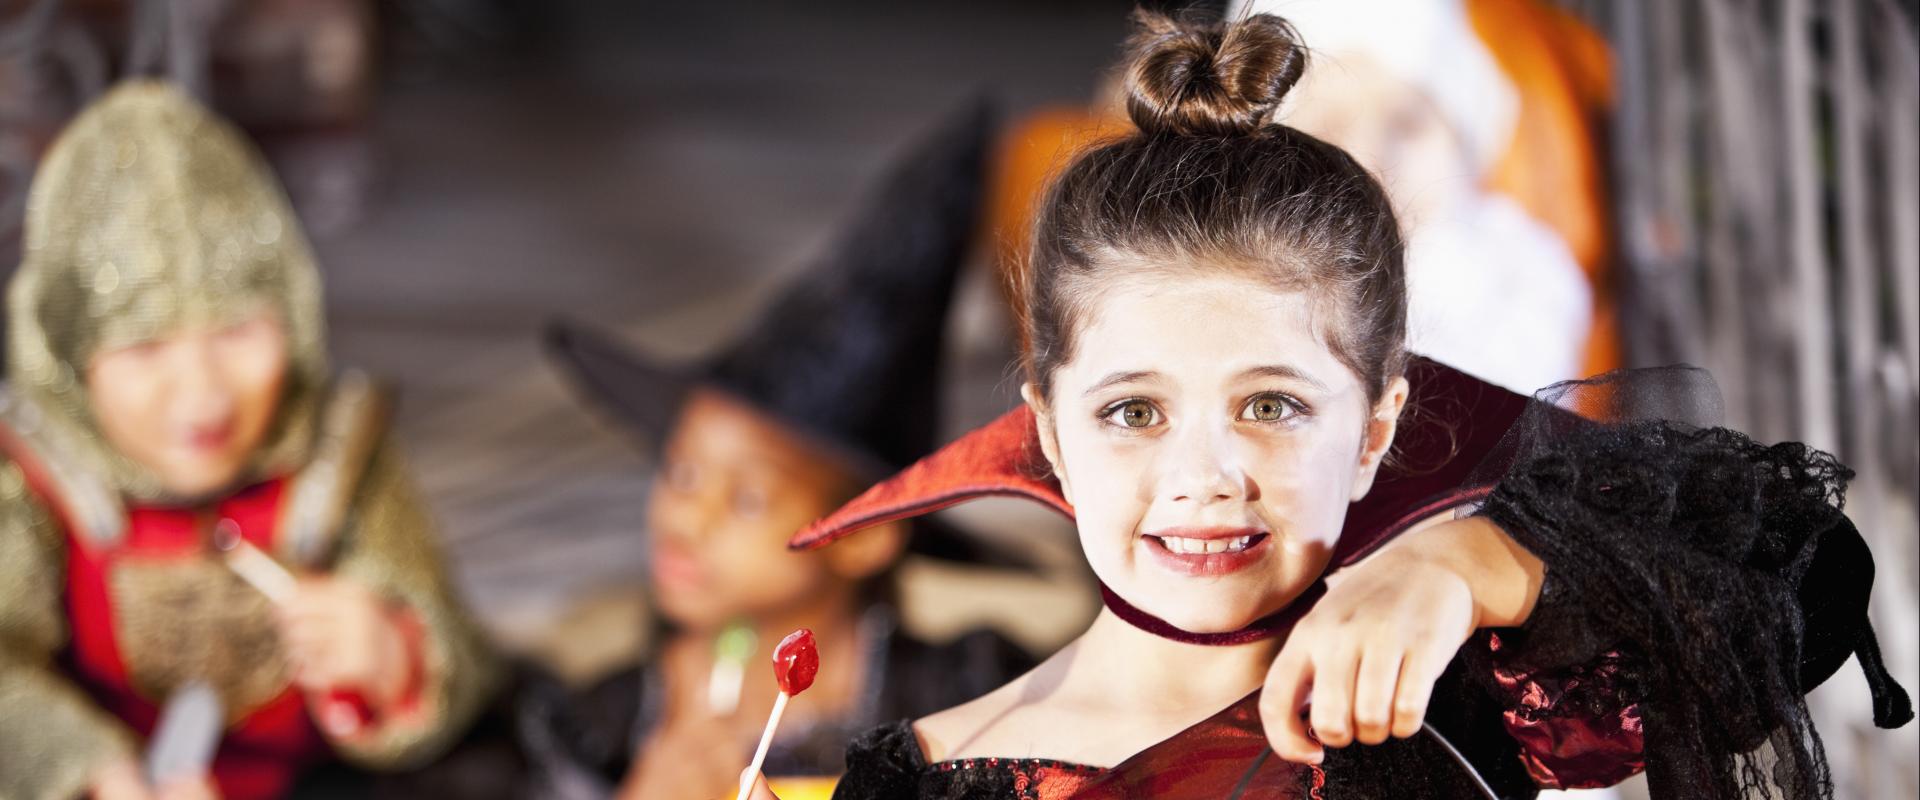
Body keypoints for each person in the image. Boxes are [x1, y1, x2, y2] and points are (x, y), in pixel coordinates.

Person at [761, 11, 1913, 799]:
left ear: (1374, 428)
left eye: (1270, 403)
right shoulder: (922, 772)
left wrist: (1472, 564)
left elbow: (1810, 580)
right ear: (1049, 428)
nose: (1204, 474)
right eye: (1132, 411)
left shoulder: (1458, 690)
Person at [0, 82, 497, 800]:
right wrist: (95, 773)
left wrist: (394, 652)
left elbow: (465, 651)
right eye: (144, 349)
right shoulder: (30, 475)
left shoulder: (337, 454)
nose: (203, 394)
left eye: (238, 332)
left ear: (292, 316)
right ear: (69, 358)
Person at [533, 101, 1035, 800]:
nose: (687, 518)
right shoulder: (604, 723)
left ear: (865, 537)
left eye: (747, 497)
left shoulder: (972, 702)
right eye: (680, 473)